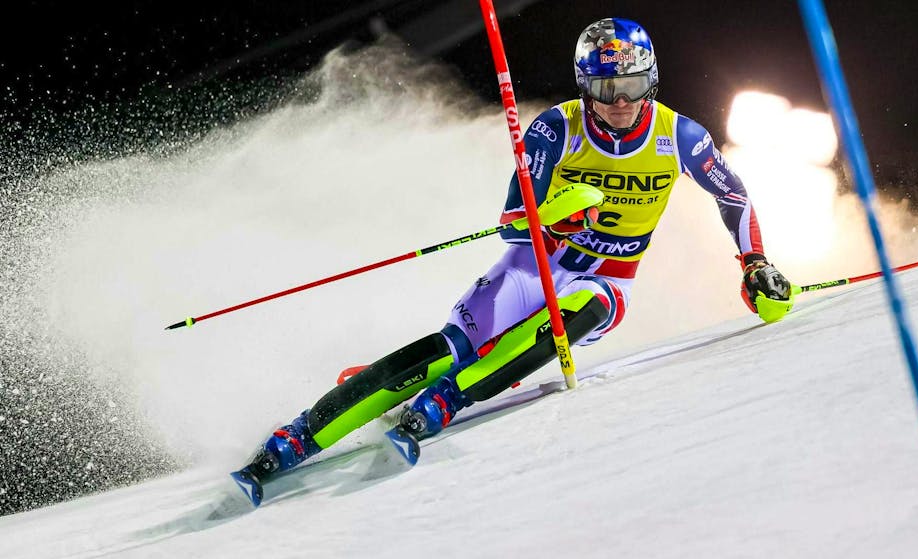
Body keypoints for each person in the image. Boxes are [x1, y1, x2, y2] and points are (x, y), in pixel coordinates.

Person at [232, 17, 793, 501]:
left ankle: (444, 403)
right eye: (608, 84)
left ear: (652, 78)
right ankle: (299, 436)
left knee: (586, 310)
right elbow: (510, 220)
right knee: (446, 349)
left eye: (634, 83)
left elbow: (733, 195)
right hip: (534, 267)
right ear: (585, 83)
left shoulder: (680, 137)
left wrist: (754, 263)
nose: (622, 100)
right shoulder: (557, 129)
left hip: (605, 278)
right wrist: (554, 215)